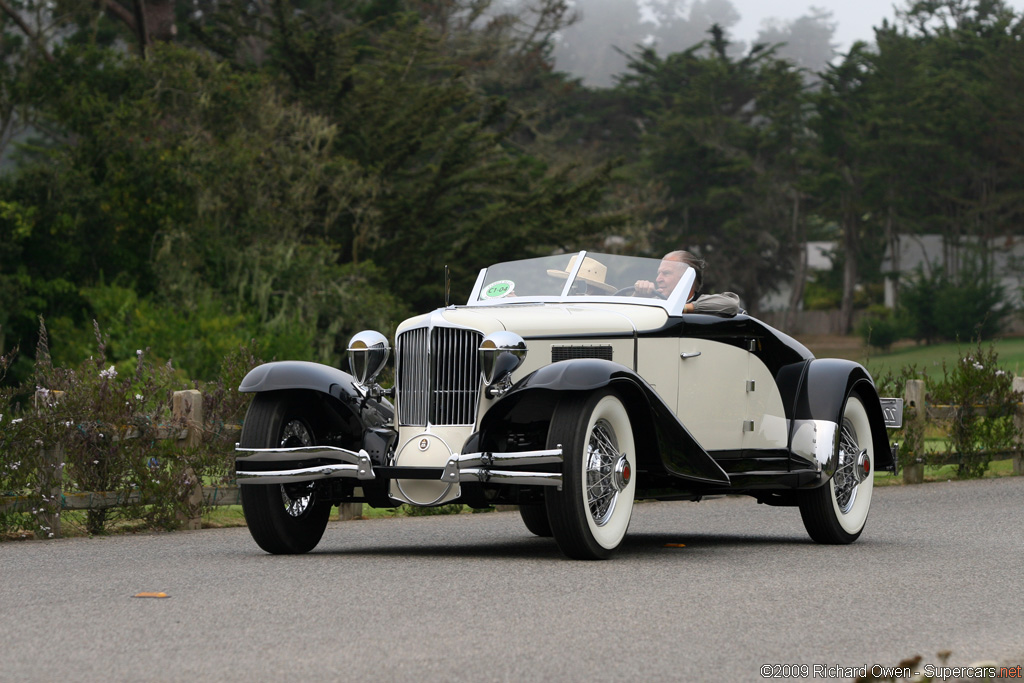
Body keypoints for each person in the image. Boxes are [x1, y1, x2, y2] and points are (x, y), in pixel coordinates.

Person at [634, 250, 742, 316]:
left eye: (666, 273)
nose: (658, 279)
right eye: (659, 273)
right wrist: (637, 296)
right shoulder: (655, 302)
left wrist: (684, 308)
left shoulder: (704, 303)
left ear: (686, 278)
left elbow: (732, 304)